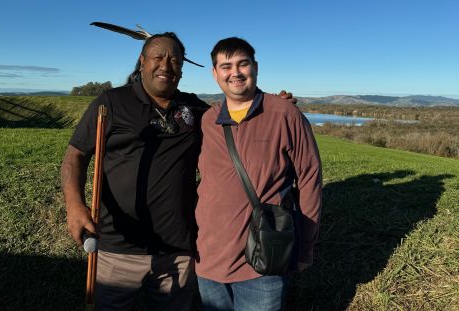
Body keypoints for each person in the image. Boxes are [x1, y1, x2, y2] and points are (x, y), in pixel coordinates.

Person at [61, 32, 210, 311]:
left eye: (175, 60)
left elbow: (236, 117)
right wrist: (74, 206)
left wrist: (274, 104)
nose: (166, 66)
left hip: (178, 252)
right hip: (117, 249)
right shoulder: (111, 103)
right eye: (158, 57)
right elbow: (75, 155)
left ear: (182, 68)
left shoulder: (195, 108)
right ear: (142, 62)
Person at [195, 37, 323, 311]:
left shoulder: (284, 114)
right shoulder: (208, 119)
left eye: (243, 64)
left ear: (256, 67)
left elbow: (310, 180)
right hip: (208, 258)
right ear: (214, 73)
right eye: (226, 66)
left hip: (263, 261)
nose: (235, 73)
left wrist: (306, 247)